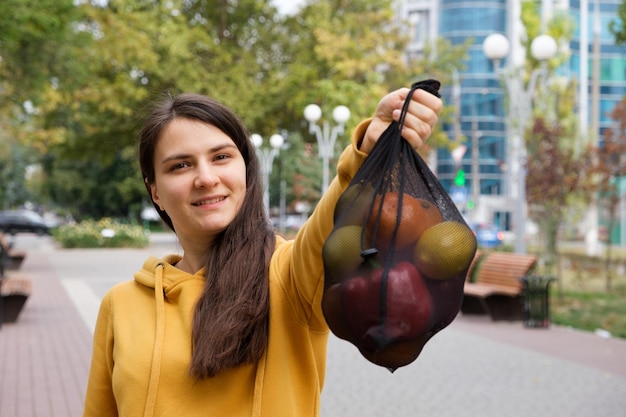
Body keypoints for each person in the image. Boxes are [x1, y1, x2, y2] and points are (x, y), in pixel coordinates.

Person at [83, 85, 442, 417]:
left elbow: (331, 221)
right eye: (180, 165)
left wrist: (368, 149)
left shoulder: (288, 277)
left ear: (246, 170)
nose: (206, 178)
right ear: (155, 190)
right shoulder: (120, 304)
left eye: (221, 157)